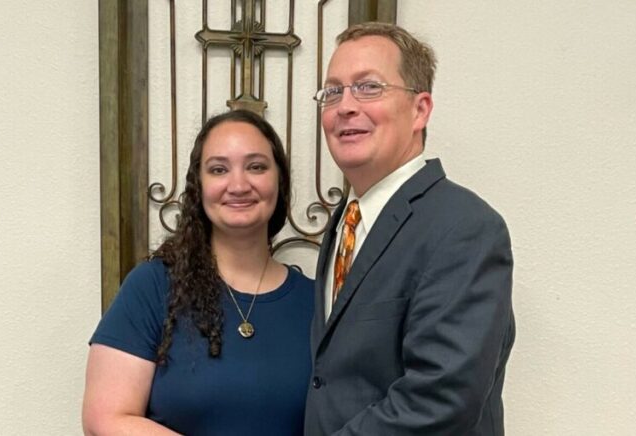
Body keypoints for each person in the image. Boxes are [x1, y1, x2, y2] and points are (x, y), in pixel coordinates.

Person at [304, 22, 515, 435]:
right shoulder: (345, 222)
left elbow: (441, 398)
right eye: (333, 91)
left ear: (420, 109)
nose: (345, 106)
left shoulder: (465, 228)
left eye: (368, 87)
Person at [83, 110, 314, 436]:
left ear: (280, 180)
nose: (238, 185)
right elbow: (105, 418)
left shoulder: (318, 301)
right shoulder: (153, 287)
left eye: (256, 167)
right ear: (199, 186)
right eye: (219, 169)